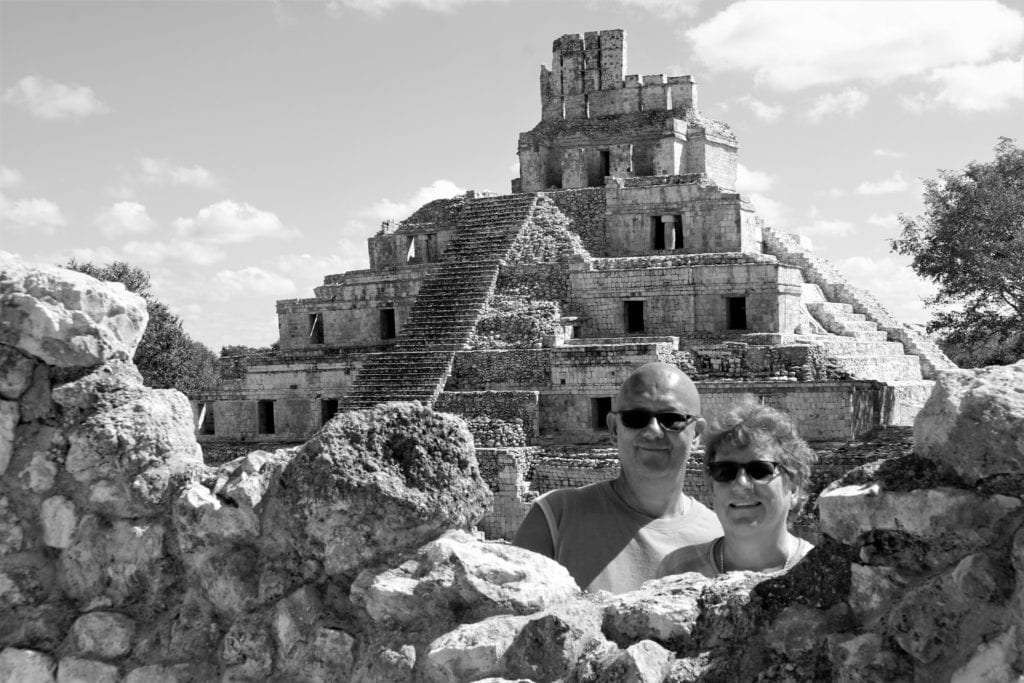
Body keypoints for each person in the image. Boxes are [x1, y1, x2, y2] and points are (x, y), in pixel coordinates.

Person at [513, 362, 722, 593]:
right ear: (614, 429)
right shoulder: (554, 520)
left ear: (697, 434)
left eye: (671, 419)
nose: (653, 431)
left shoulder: (720, 539)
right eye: (636, 418)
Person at [657, 402, 818, 578]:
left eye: (759, 470)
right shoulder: (677, 571)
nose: (740, 484)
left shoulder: (823, 576)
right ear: (712, 488)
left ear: (794, 488)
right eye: (725, 472)